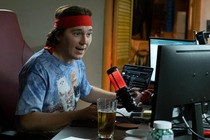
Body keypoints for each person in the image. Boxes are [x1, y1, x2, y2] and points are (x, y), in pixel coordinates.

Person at [15, 5, 152, 137]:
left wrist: (121, 97)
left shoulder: (76, 61)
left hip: (65, 132)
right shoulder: (39, 67)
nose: (84, 41)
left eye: (89, 34)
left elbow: (85, 90)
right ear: (58, 35)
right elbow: (27, 121)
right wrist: (78, 114)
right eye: (77, 33)